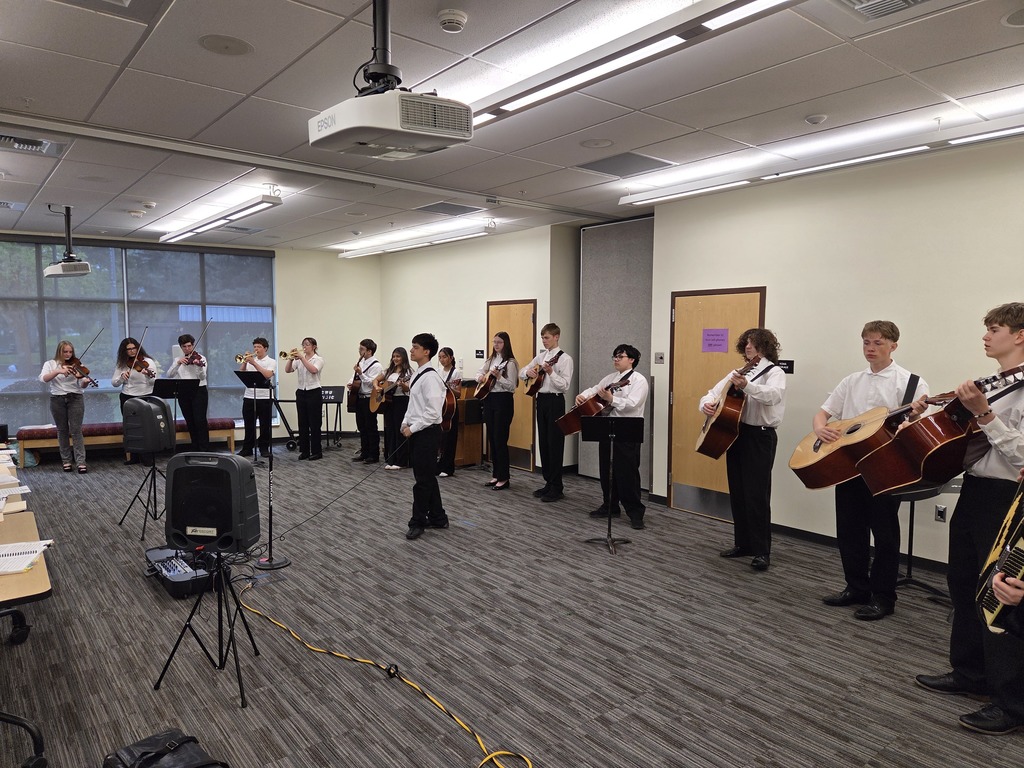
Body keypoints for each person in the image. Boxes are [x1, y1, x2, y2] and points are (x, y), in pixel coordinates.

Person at [916, 302, 1024, 735]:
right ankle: (969, 673)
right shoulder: (997, 383)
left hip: (1009, 499)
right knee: (962, 583)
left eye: (994, 329)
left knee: (1001, 596)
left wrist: (983, 413)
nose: (985, 336)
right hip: (976, 491)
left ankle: (1010, 703)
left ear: (1019, 335)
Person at [813, 320, 927, 620]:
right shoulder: (852, 381)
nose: (870, 348)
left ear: (893, 345)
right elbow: (824, 412)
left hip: (887, 470)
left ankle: (884, 597)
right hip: (848, 466)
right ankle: (856, 587)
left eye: (877, 343)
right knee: (849, 531)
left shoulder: (912, 383)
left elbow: (915, 429)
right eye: (866, 342)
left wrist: (912, 419)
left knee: (885, 536)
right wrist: (820, 429)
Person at [699, 328, 786, 571]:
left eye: (753, 343)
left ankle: (761, 551)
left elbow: (773, 397)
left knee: (757, 495)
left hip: (760, 437)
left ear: (765, 346)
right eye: (746, 343)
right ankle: (743, 544)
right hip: (735, 434)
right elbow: (712, 393)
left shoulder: (775, 372)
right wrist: (705, 404)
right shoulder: (737, 372)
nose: (748, 347)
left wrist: (747, 386)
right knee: (737, 491)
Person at [577, 343, 649, 529]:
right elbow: (595, 389)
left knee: (628, 471)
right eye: (614, 356)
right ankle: (610, 505)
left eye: (620, 356)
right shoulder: (611, 378)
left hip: (628, 428)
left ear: (631, 360)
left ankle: (635, 512)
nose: (616, 359)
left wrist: (612, 399)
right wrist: (583, 395)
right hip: (607, 426)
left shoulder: (639, 380)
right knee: (606, 469)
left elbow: (633, 403)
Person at [401, 333, 449, 540]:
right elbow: (414, 404)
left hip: (427, 432)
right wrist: (406, 421)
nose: (411, 350)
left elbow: (433, 412)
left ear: (426, 351)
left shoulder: (431, 377)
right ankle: (438, 517)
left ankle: (418, 521)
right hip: (418, 430)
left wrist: (414, 428)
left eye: (415, 347)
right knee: (426, 476)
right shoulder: (418, 374)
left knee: (422, 481)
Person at [520, 323, 574, 503]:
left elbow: (565, 385)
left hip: (555, 401)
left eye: (547, 338)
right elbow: (522, 373)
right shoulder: (541, 356)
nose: (544, 341)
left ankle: (557, 486)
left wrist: (551, 372)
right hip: (541, 401)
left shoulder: (565, 359)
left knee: (555, 442)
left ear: (557, 337)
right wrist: (527, 372)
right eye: (542, 338)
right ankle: (548, 482)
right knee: (543, 441)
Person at [476, 331, 519, 491]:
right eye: (494, 342)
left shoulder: (511, 363)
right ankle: (496, 474)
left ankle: (504, 477)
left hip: (503, 401)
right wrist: (480, 377)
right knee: (492, 438)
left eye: (499, 342)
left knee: (500, 439)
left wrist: (499, 377)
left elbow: (512, 386)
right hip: (489, 399)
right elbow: (479, 372)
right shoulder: (491, 359)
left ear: (505, 343)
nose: (496, 345)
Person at [39, 340, 89, 473]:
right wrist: (59, 371)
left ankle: (80, 462)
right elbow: (43, 378)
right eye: (65, 351)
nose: (68, 354)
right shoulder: (50, 364)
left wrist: (85, 381)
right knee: (62, 430)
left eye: (70, 352)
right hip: (57, 399)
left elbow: (82, 385)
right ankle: (66, 461)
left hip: (75, 398)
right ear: (59, 351)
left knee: (76, 430)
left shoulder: (78, 364)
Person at [112, 337, 158, 464]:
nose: (132, 351)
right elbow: (114, 383)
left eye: (134, 348)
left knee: (146, 427)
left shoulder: (148, 362)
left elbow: (154, 381)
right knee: (130, 427)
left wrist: (148, 375)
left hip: (145, 396)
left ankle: (147, 457)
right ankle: (134, 457)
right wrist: (122, 378)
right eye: (128, 349)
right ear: (124, 351)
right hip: (127, 396)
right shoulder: (122, 363)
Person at [166, 333, 209, 451]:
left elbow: (202, 376)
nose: (188, 349)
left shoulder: (201, 358)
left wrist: (198, 366)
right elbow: (169, 375)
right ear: (181, 347)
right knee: (189, 420)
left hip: (199, 390)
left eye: (189, 346)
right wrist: (177, 363)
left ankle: (204, 448)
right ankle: (195, 446)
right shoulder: (178, 360)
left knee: (200, 420)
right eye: (184, 346)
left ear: (193, 345)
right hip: (184, 391)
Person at [285, 337, 324, 461]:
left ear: (314, 347)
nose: (304, 347)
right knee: (303, 423)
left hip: (314, 392)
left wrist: (302, 358)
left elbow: (313, 370)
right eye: (303, 344)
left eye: (307, 344)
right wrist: (291, 359)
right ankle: (305, 451)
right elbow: (287, 370)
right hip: (301, 392)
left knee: (315, 423)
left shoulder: (318, 359)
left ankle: (317, 451)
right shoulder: (299, 360)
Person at [377, 346, 414, 470]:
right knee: (390, 430)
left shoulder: (408, 372)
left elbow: (407, 389)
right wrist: (377, 388)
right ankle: (391, 458)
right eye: (393, 356)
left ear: (403, 357)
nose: (395, 359)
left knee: (400, 430)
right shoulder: (388, 371)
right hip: (389, 403)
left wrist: (402, 385)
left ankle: (401, 460)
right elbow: (375, 380)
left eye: (398, 356)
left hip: (401, 401)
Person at [238, 338, 276, 458]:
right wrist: (245, 361)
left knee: (265, 424)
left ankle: (264, 448)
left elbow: (268, 375)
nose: (256, 349)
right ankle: (247, 448)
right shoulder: (250, 361)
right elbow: (242, 373)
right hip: (249, 396)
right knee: (249, 424)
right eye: (255, 347)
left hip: (265, 397)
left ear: (265, 348)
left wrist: (254, 363)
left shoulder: (271, 361)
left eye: (259, 347)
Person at [352, 339, 383, 464]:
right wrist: (351, 383)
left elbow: (372, 382)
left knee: (371, 426)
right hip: (359, 397)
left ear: (369, 351)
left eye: (362, 349)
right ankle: (364, 452)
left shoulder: (376, 365)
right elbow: (355, 377)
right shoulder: (362, 362)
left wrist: (361, 374)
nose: (359, 351)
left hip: (369, 398)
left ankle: (373, 454)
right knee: (362, 427)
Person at [436, 347, 462, 477]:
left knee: (449, 437)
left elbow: (458, 393)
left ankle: (448, 467)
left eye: (444, 357)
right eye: (440, 357)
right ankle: (438, 465)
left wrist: (447, 387)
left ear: (451, 358)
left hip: (451, 406)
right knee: (439, 437)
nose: (442, 360)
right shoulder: (438, 371)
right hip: (439, 406)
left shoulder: (456, 372)